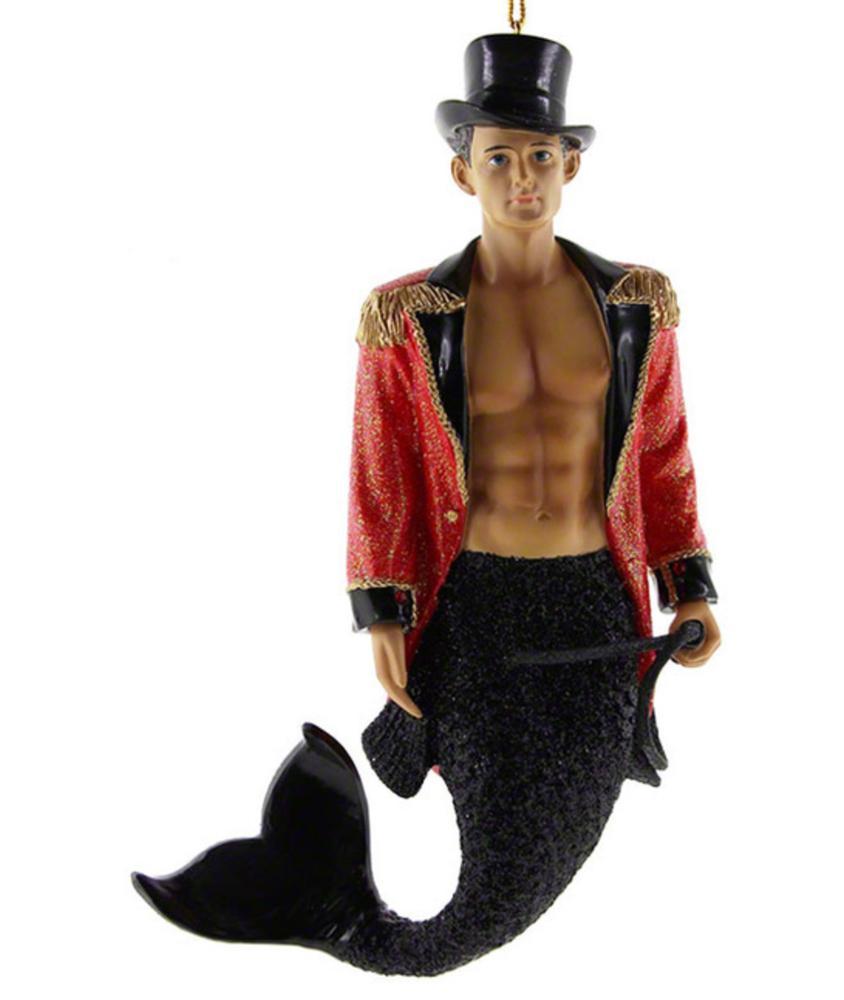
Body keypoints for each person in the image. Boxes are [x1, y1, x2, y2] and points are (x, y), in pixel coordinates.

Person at [132, 32, 720, 978]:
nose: (522, 179)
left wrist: (689, 586)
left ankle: (320, 896)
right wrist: (383, 614)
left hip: (596, 617)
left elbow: (662, 455)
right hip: (476, 613)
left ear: (571, 165)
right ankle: (325, 900)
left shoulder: (634, 305)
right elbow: (383, 474)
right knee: (497, 864)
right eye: (499, 158)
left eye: (541, 157)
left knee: (542, 855)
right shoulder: (408, 317)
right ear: (462, 171)